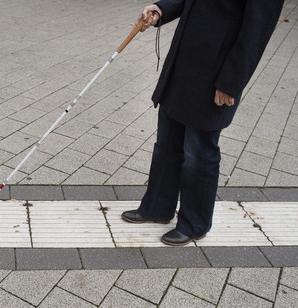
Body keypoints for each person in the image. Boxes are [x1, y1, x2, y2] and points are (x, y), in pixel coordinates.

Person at [121, 0, 285, 246]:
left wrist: (232, 82)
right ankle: (157, 207)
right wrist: (161, 8)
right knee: (167, 142)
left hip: (216, 70)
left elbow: (257, 30)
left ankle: (194, 224)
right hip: (184, 60)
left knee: (199, 151)